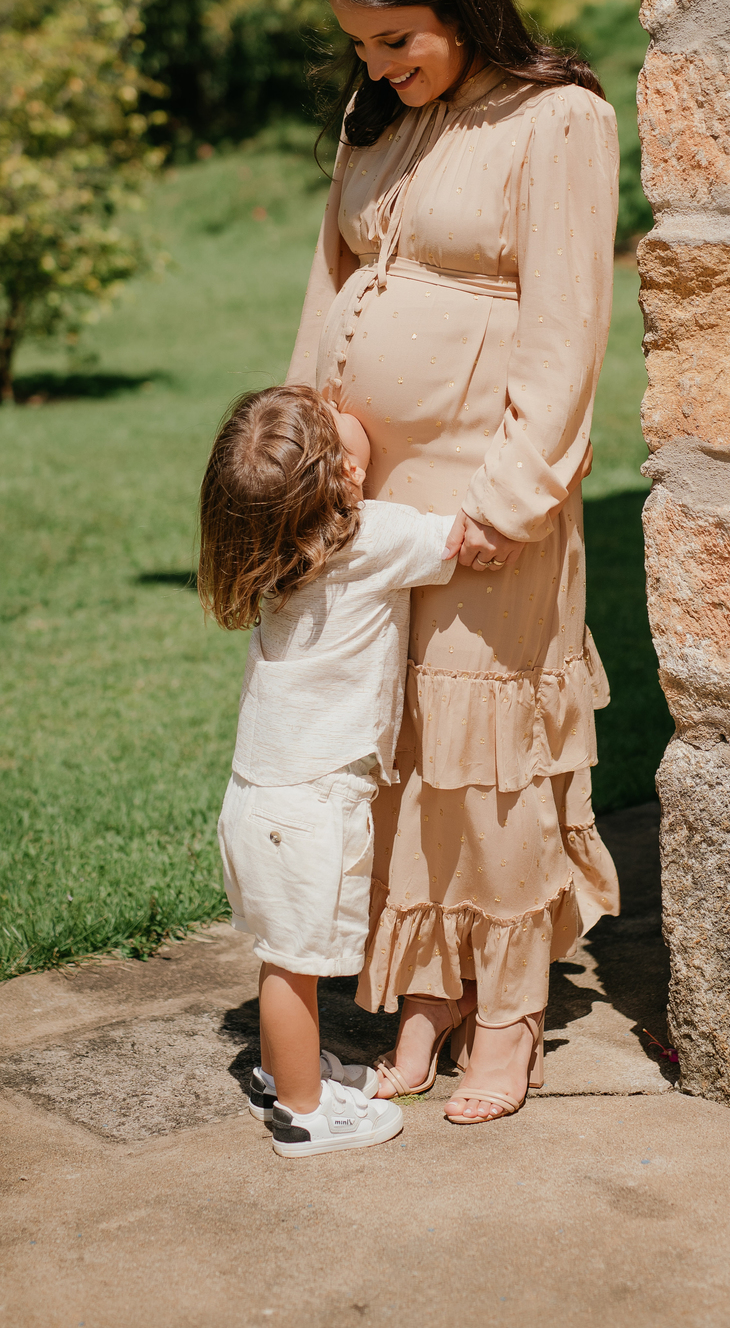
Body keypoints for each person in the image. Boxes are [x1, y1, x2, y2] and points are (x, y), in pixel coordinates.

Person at [286, 0, 622, 1125]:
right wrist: (304, 466)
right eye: (359, 44)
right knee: (407, 754)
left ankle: (513, 1011)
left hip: (488, 502)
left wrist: (512, 500)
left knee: (491, 768)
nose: (378, 65)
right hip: (376, 502)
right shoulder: (376, 118)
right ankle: (429, 992)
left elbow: (567, 329)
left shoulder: (558, 119)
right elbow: (330, 288)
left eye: (397, 38)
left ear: (461, 1)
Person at [200, 383, 460, 1156]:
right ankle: (305, 1114)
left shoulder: (274, 548)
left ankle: (283, 1073)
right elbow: (466, 538)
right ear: (344, 474)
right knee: (296, 969)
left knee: (282, 962)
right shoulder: (368, 536)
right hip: (313, 809)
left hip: (257, 800)